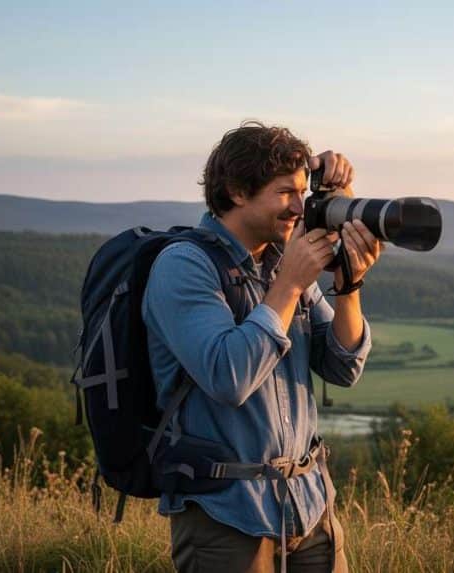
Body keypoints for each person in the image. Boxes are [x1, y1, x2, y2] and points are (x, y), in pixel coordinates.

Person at [142, 121, 381, 572]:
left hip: (310, 505)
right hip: (227, 515)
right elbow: (228, 376)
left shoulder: (278, 259)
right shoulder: (184, 266)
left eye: (304, 191)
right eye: (285, 193)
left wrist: (349, 285)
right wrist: (290, 283)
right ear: (236, 191)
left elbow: (343, 366)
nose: (300, 207)